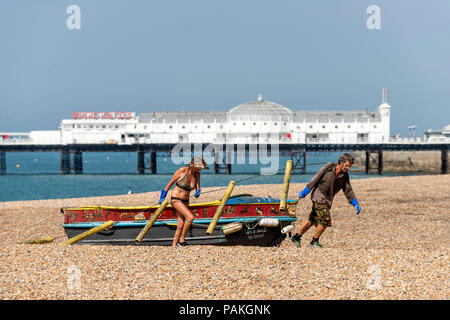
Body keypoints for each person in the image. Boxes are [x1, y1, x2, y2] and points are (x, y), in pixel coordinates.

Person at [291, 153, 361, 248]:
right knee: (325, 220)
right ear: (341, 162)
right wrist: (306, 190)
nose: (348, 168)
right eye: (347, 165)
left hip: (327, 200)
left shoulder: (344, 175)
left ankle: (296, 237)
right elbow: (316, 178)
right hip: (318, 196)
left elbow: (348, 190)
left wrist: (355, 203)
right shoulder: (329, 167)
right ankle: (314, 242)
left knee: (312, 219)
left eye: (350, 166)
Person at [158, 156, 208, 247]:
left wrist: (198, 191)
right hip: (176, 199)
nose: (200, 170)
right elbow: (169, 184)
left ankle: (173, 245)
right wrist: (162, 197)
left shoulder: (197, 175)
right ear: (193, 166)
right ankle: (182, 240)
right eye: (199, 168)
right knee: (190, 217)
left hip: (186, 200)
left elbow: (197, 187)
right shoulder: (182, 170)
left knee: (180, 224)